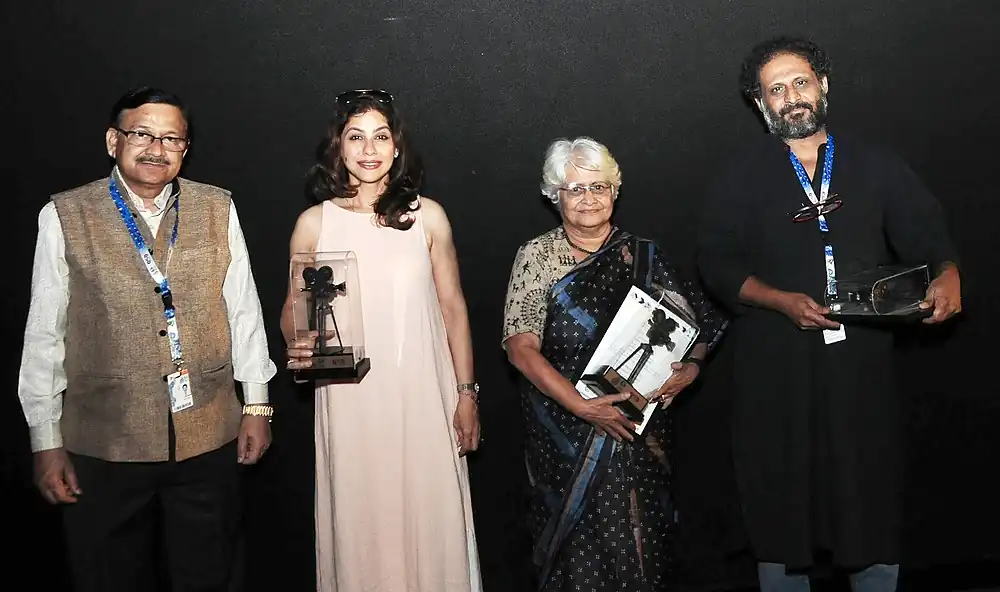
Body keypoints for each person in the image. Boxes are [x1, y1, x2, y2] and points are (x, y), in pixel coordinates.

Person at [696, 36, 962, 591]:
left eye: (800, 82)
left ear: (823, 86)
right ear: (759, 104)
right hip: (776, 369)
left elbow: (928, 232)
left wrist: (948, 273)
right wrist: (780, 301)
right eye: (775, 89)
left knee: (867, 489)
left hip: (861, 361)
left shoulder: (875, 163)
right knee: (781, 494)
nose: (791, 96)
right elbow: (716, 263)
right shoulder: (739, 175)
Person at [16, 86, 277, 591]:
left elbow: (243, 310)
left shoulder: (217, 207)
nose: (156, 149)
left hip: (209, 436)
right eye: (142, 134)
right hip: (104, 441)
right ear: (113, 140)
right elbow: (44, 334)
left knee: (212, 575)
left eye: (171, 139)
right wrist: (44, 441)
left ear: (185, 149)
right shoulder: (66, 215)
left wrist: (258, 405)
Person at [502, 137, 727, 591]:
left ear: (615, 191)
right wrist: (583, 407)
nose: (589, 199)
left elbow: (697, 325)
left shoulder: (645, 256)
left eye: (598, 187)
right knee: (575, 554)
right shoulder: (538, 256)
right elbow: (519, 347)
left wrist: (692, 368)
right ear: (555, 195)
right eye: (575, 189)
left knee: (641, 549)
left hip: (638, 438)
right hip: (562, 433)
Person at [281, 89, 482, 592]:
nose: (368, 149)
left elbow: (453, 308)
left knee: (426, 513)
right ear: (338, 148)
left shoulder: (427, 217)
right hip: (350, 400)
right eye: (356, 137)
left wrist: (466, 393)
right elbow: (293, 310)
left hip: (422, 397)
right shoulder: (314, 223)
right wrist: (298, 341)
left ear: (397, 147)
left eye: (380, 136)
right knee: (360, 517)